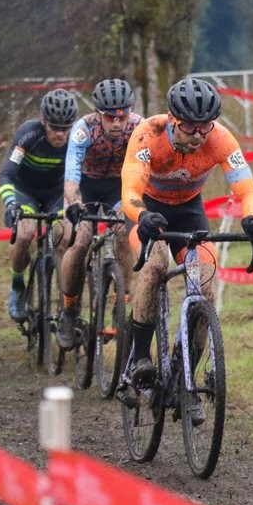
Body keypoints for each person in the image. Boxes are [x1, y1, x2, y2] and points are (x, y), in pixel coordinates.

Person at [119, 77, 253, 395]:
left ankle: (182, 376)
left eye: (205, 126)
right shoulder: (149, 133)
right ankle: (140, 359)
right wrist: (142, 216)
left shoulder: (221, 139)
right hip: (147, 212)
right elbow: (131, 190)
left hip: (189, 210)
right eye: (190, 127)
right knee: (155, 265)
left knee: (205, 287)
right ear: (174, 120)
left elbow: (248, 191)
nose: (199, 135)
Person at [56, 79, 145, 350]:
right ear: (98, 113)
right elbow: (71, 175)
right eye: (110, 116)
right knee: (81, 240)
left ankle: (122, 300)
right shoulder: (83, 129)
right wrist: (74, 202)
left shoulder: (139, 127)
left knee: (122, 232)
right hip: (86, 187)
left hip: (119, 188)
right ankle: (69, 311)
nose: (117, 123)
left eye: (122, 115)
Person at [0, 88, 79, 321]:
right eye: (55, 127)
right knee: (25, 235)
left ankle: (68, 303)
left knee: (64, 237)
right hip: (26, 192)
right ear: (43, 121)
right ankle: (16, 286)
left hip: (55, 193)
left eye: (65, 128)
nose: (60, 134)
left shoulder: (76, 138)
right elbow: (6, 174)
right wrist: (11, 202)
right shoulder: (28, 134)